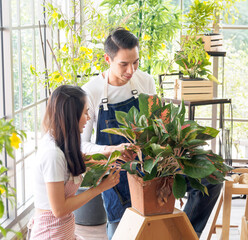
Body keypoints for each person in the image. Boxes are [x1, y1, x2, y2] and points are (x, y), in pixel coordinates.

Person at [81, 28, 222, 239]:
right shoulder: (91, 91)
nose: (131, 70)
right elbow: (81, 146)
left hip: (153, 164)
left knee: (211, 178)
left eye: (136, 62)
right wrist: (112, 149)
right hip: (117, 170)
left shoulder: (144, 81)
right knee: (121, 230)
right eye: (124, 64)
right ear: (107, 59)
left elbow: (159, 125)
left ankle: (186, 234)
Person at [28, 85, 120, 240]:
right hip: (51, 233)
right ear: (72, 116)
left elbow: (79, 160)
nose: (89, 118)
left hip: (62, 230)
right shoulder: (53, 155)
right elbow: (59, 209)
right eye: (85, 113)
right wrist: (100, 188)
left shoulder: (60, 142)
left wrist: (113, 153)